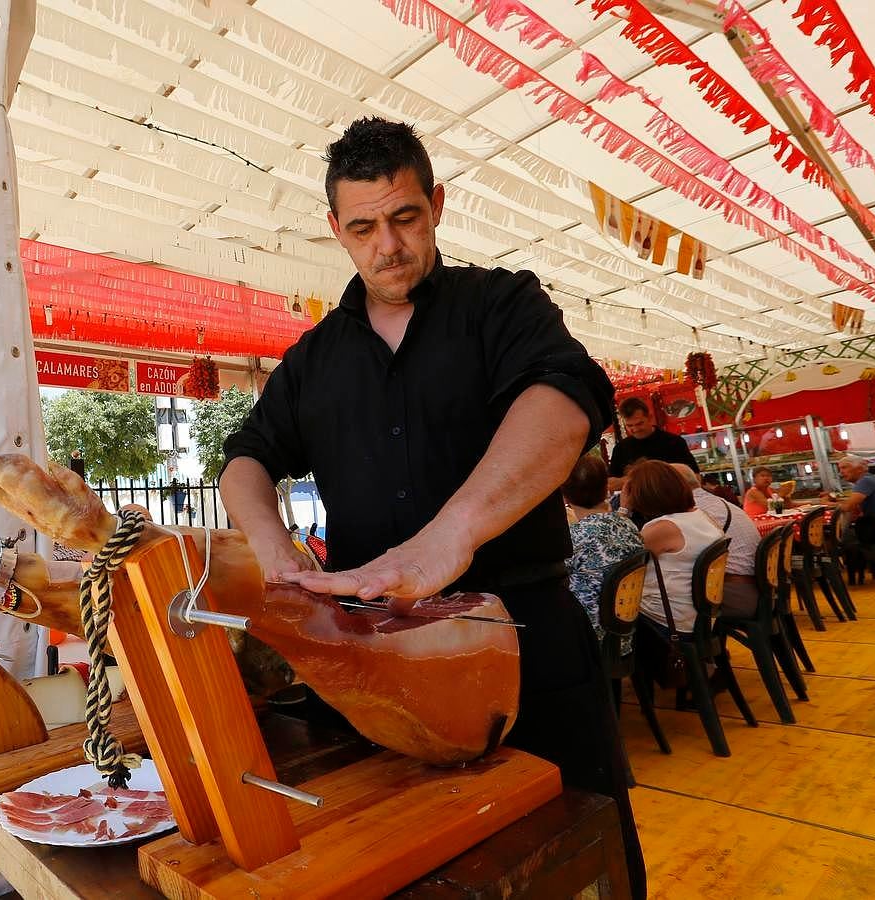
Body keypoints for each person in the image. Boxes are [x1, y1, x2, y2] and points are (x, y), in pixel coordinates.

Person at [219, 117, 645, 896]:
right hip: (372, 662)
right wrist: (276, 555)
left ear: (437, 204)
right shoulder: (311, 359)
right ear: (335, 231)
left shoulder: (502, 303)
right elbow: (244, 460)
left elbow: (565, 400)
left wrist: (448, 538)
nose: (387, 245)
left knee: (577, 858)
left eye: (404, 217)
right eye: (363, 227)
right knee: (417, 870)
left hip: (524, 643)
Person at [623, 462, 725, 676]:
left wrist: (623, 509)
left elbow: (617, 562)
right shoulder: (701, 516)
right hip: (702, 618)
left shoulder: (662, 528)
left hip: (670, 626)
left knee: (601, 618)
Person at [562, 455, 643, 645]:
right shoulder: (629, 526)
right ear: (606, 487)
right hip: (627, 634)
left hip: (589, 641)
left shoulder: (572, 538)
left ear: (564, 495)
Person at [673, 464, 760, 617]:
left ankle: (697, 639)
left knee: (658, 603)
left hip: (735, 594)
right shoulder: (719, 502)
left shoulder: (691, 511)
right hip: (759, 587)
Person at [607, 397, 699, 491]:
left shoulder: (674, 442)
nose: (635, 429)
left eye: (639, 424)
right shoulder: (620, 448)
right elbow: (610, 484)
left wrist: (635, 480)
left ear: (650, 418)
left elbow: (696, 478)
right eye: (629, 425)